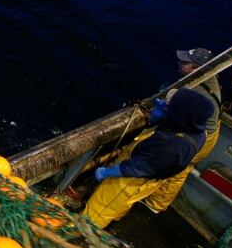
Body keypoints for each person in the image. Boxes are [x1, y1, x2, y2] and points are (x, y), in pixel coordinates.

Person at [83, 88, 214, 229]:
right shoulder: (198, 132)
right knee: (119, 205)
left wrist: (106, 172)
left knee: (101, 209)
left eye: (172, 105)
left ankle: (79, 233)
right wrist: (158, 116)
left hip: (131, 179)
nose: (167, 104)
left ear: (181, 113)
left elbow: (134, 168)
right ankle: (111, 222)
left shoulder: (171, 147)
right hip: (150, 173)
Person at [142, 48, 222, 212]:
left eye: (185, 63)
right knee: (182, 169)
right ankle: (157, 204)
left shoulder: (194, 91)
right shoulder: (209, 77)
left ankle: (154, 203)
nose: (179, 64)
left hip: (200, 136)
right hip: (210, 133)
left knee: (169, 167)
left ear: (197, 68)